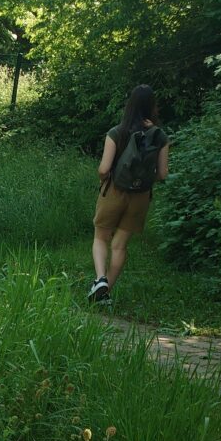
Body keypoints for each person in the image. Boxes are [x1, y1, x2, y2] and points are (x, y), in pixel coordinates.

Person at [89, 84, 170, 305]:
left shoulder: (117, 132)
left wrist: (105, 179)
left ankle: (100, 279)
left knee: (101, 237)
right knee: (119, 245)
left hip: (114, 191)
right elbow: (162, 174)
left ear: (130, 105)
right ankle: (105, 293)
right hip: (141, 197)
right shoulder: (160, 136)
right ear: (152, 106)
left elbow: (104, 169)